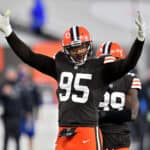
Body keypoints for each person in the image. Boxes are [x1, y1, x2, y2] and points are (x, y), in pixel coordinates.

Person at [0, 11, 145, 150]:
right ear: (66, 50)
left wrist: (139, 41)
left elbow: (128, 63)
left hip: (87, 131)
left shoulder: (99, 68)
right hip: (64, 131)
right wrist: (9, 33)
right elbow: (29, 57)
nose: (78, 52)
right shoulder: (60, 65)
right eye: (74, 49)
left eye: (81, 48)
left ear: (88, 46)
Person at [96, 41, 141, 150]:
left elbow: (132, 114)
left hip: (119, 136)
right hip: (96, 134)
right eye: (104, 61)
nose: (108, 65)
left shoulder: (129, 79)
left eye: (112, 61)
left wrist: (102, 115)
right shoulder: (92, 78)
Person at [0, 67, 25, 150]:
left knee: (17, 136)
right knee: (6, 136)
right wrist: (3, 93)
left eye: (13, 74)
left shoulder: (19, 84)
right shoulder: (3, 85)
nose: (12, 76)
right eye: (10, 74)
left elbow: (25, 98)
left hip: (18, 115)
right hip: (7, 116)